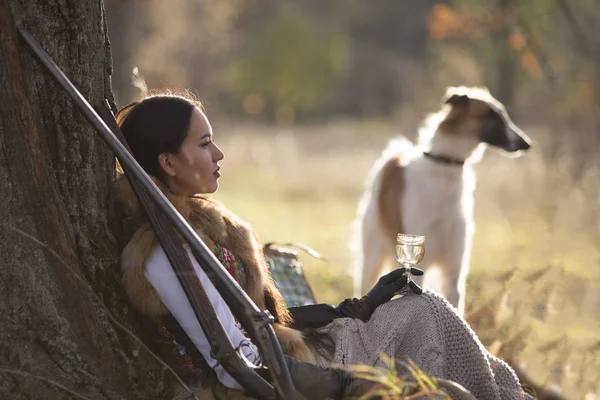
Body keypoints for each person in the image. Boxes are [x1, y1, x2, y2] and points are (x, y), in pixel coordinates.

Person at [112, 92, 532, 400]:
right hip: (300, 375)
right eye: (204, 145)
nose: (219, 153)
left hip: (305, 347)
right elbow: (237, 364)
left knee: (425, 309)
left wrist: (352, 308)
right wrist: (355, 383)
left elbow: (260, 318)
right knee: (432, 330)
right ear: (168, 163)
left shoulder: (199, 225)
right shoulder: (167, 254)